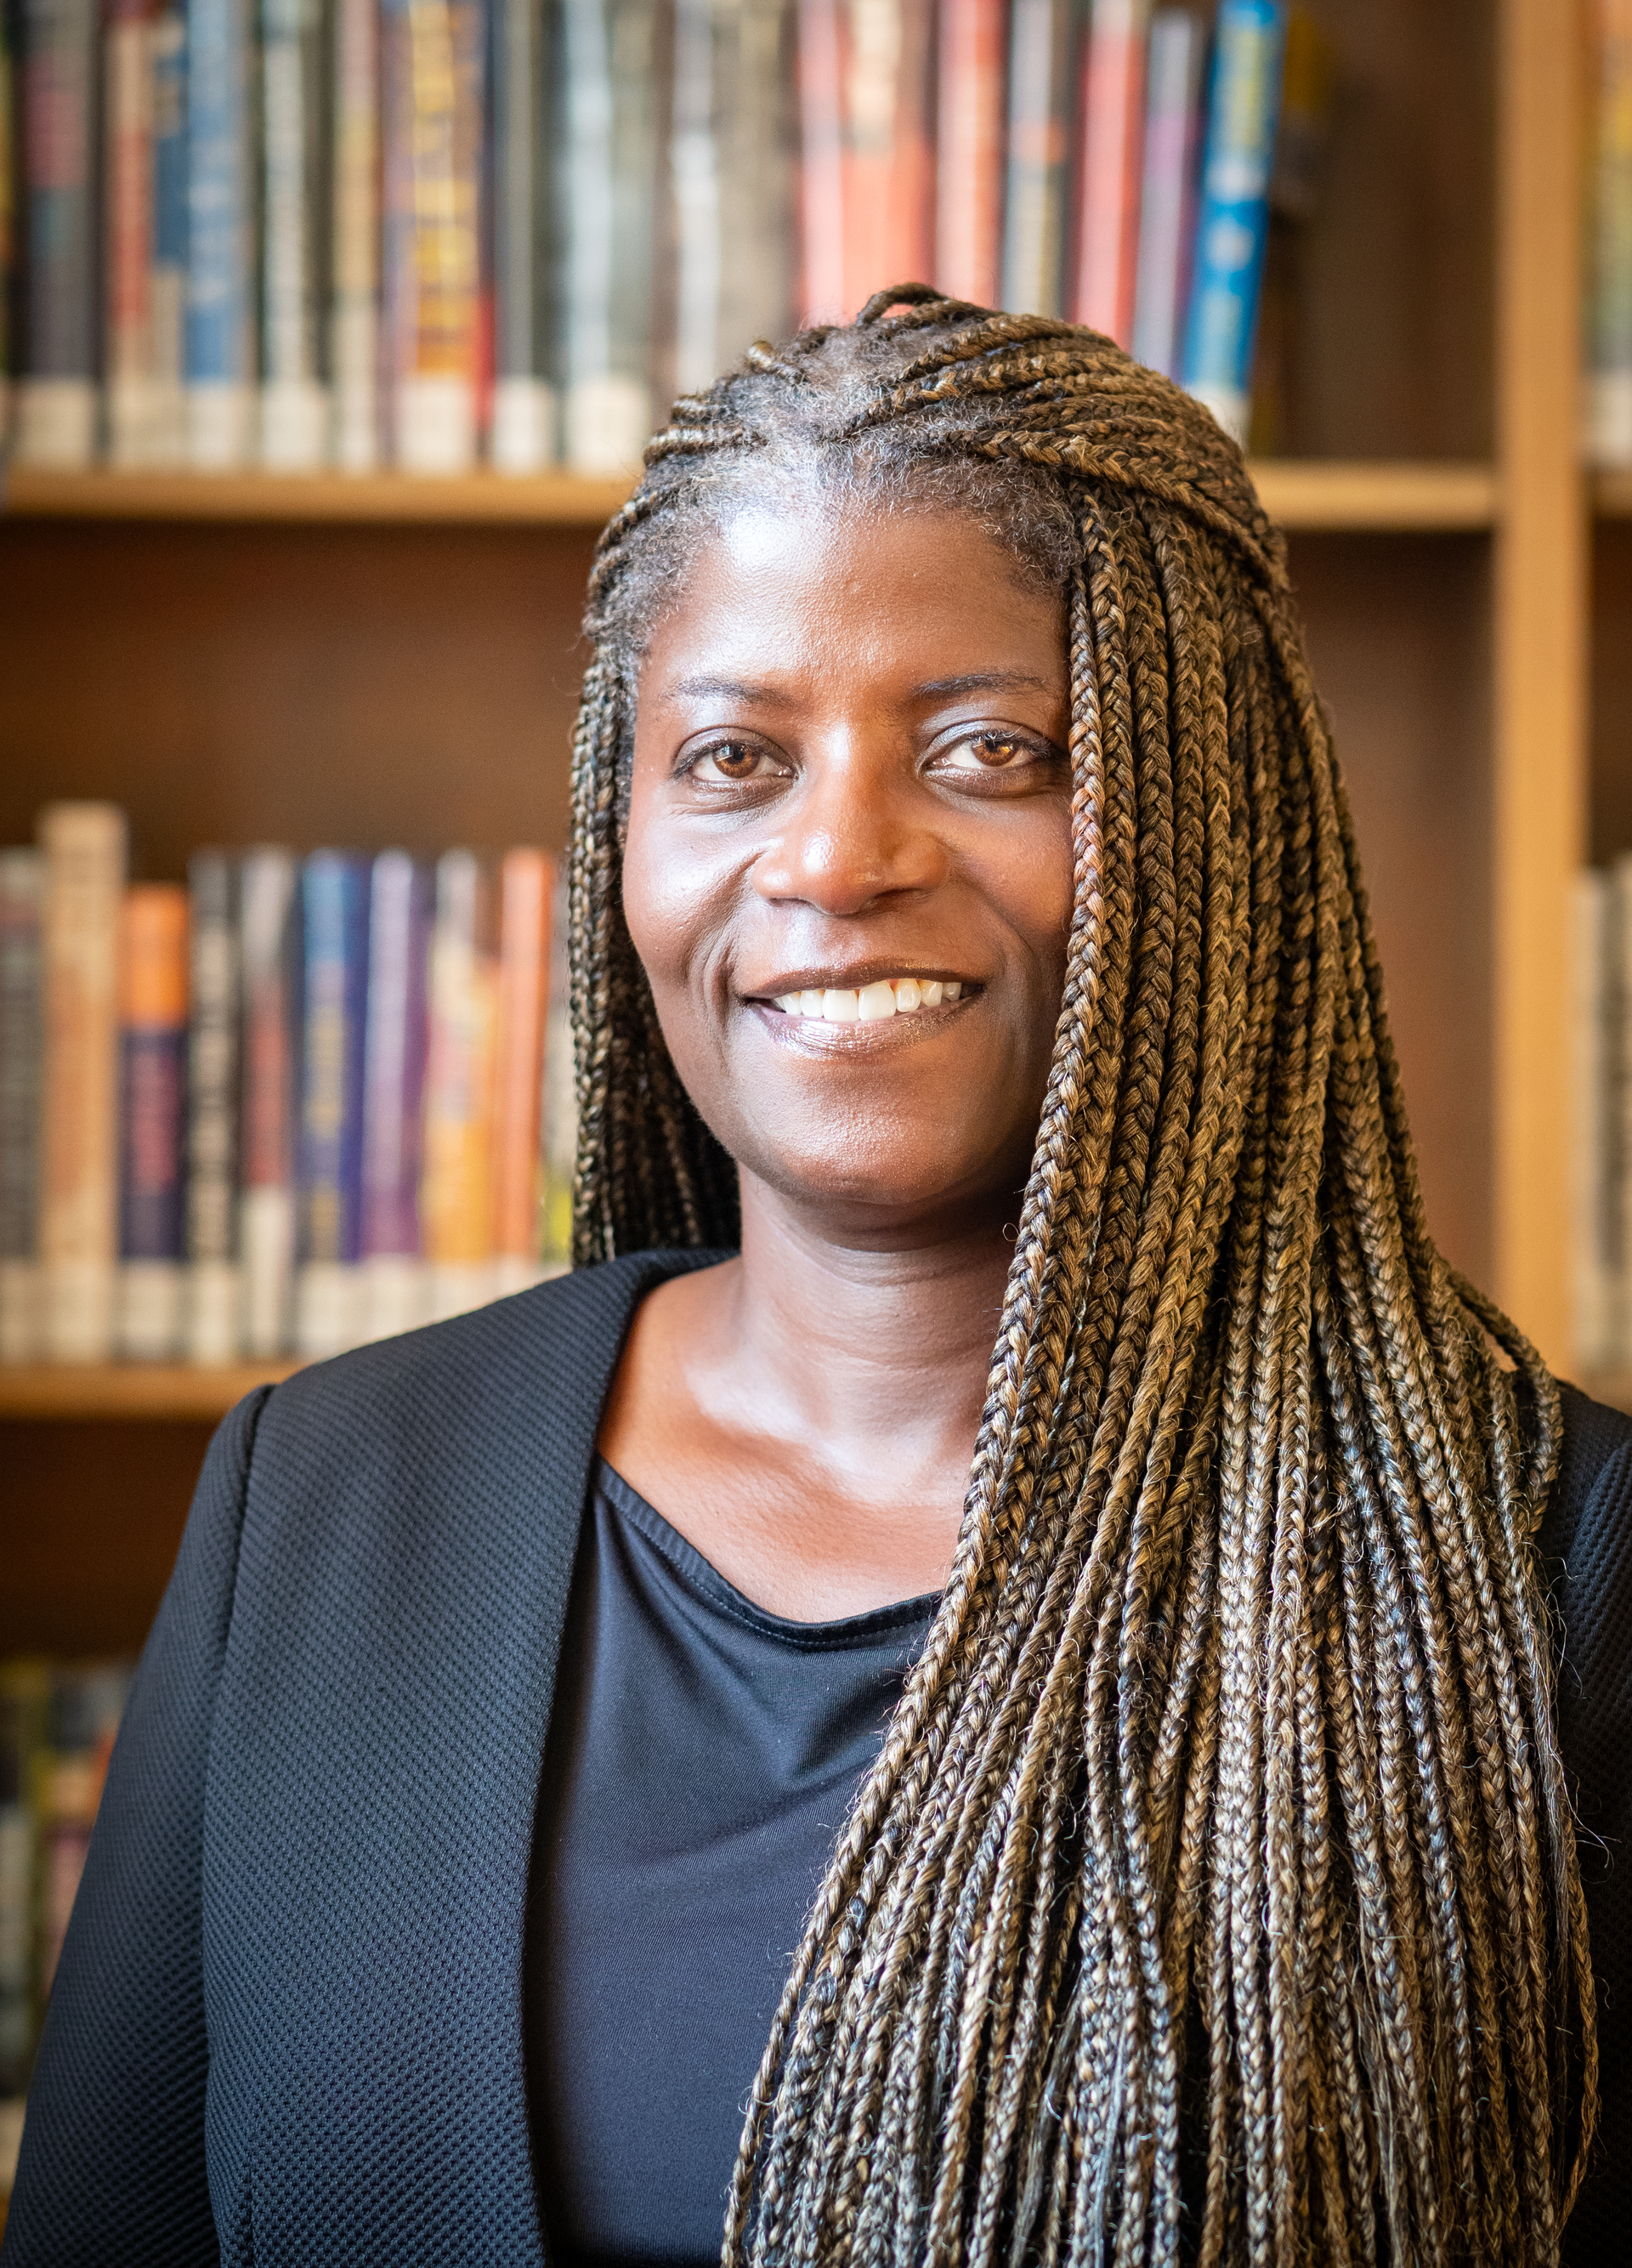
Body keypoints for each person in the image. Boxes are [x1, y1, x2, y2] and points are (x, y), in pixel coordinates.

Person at [4, 290, 1629, 2268]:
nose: (835, 854)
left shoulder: (1553, 1570)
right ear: (627, 834)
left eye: (987, 747)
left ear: (1219, 817)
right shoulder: (324, 1503)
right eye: (731, 757)